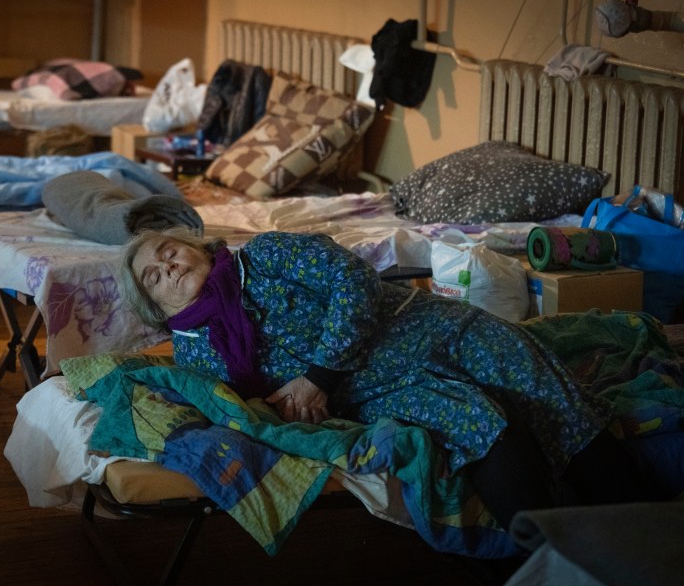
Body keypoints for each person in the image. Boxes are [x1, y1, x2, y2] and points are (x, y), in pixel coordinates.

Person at [118, 227, 658, 531]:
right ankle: (555, 557)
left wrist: (316, 376)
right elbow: (237, 408)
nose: (168, 267)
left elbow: (353, 281)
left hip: (428, 331)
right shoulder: (194, 352)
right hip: (381, 391)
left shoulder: (263, 256)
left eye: (170, 253)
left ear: (197, 246)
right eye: (154, 275)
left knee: (549, 396)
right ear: (156, 304)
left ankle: (649, 534)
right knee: (480, 425)